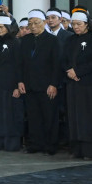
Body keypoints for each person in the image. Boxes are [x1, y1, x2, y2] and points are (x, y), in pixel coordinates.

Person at [17, 9, 63, 155]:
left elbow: (57, 64)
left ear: (44, 23)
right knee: (33, 116)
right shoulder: (25, 40)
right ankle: (36, 144)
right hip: (29, 84)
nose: (33, 26)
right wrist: (20, 81)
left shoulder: (52, 40)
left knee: (49, 116)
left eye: (36, 23)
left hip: (47, 85)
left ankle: (51, 145)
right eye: (30, 23)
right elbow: (20, 63)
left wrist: (54, 84)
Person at [62, 9, 92, 160]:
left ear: (87, 24)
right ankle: (77, 149)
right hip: (72, 83)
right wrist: (69, 71)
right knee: (75, 117)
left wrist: (78, 72)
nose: (75, 27)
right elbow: (64, 59)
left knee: (89, 117)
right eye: (73, 24)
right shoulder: (70, 39)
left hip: (89, 83)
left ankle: (91, 150)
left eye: (79, 24)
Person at [0, 14, 23, 152]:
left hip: (10, 83)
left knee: (10, 114)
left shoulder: (15, 42)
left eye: (2, 27)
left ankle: (11, 143)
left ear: (8, 27)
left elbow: (19, 65)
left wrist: (18, 85)